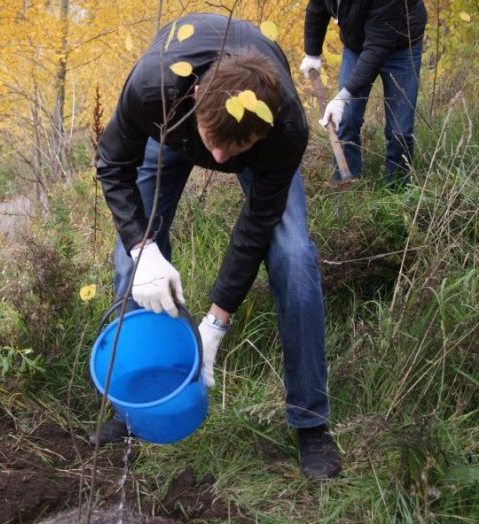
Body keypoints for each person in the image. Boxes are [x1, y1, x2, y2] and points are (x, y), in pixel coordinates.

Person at [92, 13, 341, 480]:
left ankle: (311, 423)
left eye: (237, 148)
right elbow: (111, 165)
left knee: (293, 258)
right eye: (215, 146)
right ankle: (131, 406)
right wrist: (144, 249)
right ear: (193, 101)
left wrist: (215, 323)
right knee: (130, 264)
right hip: (174, 129)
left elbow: (255, 226)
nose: (222, 161)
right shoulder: (154, 88)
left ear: (260, 134)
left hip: (245, 138)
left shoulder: (283, 129)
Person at [300, 0, 428, 185]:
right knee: (346, 119)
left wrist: (342, 97)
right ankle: (346, 188)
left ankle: (397, 192)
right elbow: (317, 7)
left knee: (400, 131)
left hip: (401, 46)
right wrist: (311, 52)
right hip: (357, 44)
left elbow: (377, 48)